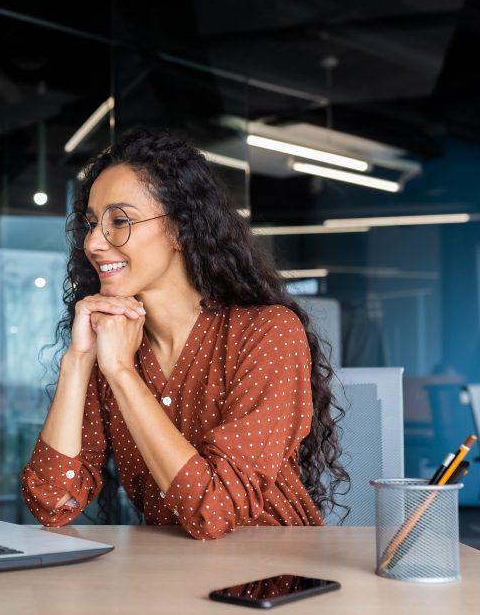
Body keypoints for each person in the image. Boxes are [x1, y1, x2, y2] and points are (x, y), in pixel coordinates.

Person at [20, 128, 348, 540]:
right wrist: (78, 361)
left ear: (179, 228)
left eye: (119, 221)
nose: (93, 242)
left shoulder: (268, 332)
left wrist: (122, 374)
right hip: (167, 577)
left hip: (276, 580)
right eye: (91, 224)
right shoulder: (112, 346)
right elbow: (53, 502)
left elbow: (215, 510)